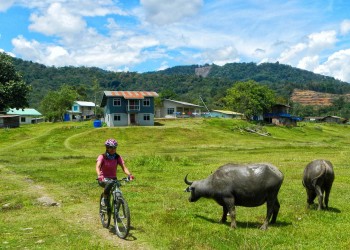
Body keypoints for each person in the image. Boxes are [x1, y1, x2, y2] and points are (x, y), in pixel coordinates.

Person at [96, 138, 134, 207]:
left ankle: (117, 209)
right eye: (111, 148)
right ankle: (104, 198)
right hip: (103, 179)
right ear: (107, 148)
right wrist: (99, 175)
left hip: (113, 179)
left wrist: (130, 174)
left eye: (114, 148)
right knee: (109, 184)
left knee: (118, 192)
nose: (113, 149)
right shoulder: (102, 156)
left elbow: (124, 167)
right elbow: (97, 167)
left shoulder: (117, 157)